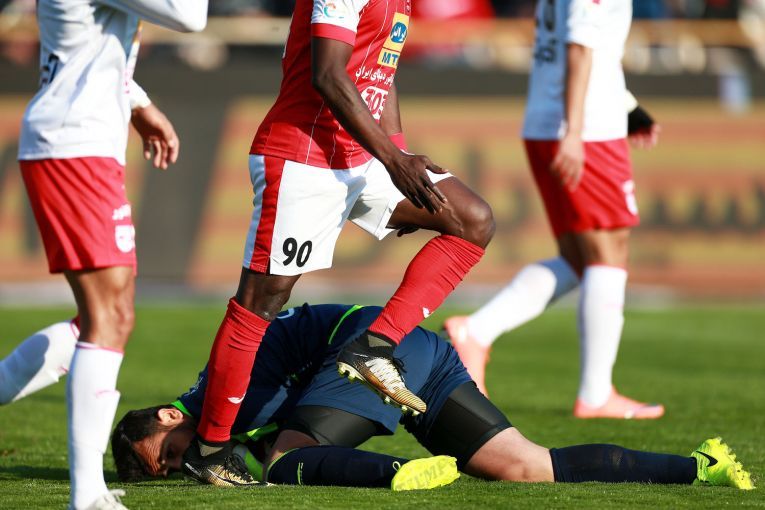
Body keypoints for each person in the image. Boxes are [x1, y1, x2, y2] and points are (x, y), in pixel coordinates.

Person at [181, 0, 495, 486]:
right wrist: (394, 161)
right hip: (302, 158)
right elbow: (327, 74)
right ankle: (210, 447)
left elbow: (381, 72)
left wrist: (399, 152)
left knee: (472, 220)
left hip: (360, 158)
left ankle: (373, 346)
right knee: (261, 301)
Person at [112, 304, 754, 491]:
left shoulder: (219, 395)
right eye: (167, 470)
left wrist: (234, 458)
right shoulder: (215, 410)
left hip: (369, 350)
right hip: (419, 350)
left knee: (286, 460)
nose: (179, 465)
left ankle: (402, 471)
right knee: (529, 467)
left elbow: (269, 438)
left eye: (165, 453)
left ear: (169, 416)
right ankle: (700, 466)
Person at [1, 2, 208, 509]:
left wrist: (138, 102)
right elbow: (190, 16)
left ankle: (88, 492)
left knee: (102, 318)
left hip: (82, 142)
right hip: (75, 146)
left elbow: (90, 46)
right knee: (109, 316)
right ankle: (88, 495)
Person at [444, 0, 664, 419]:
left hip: (555, 120)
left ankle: (476, 330)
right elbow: (579, 46)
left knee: (580, 261)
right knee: (609, 253)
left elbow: (581, 41)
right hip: (586, 128)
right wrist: (575, 131)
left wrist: (626, 105)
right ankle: (596, 394)